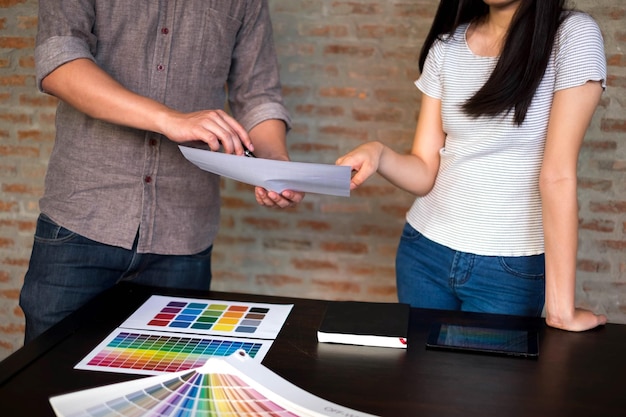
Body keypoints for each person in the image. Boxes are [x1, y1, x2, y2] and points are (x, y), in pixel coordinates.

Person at [19, 0, 304, 344]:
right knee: (46, 382)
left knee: (169, 391)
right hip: (81, 224)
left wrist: (272, 161)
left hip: (183, 238)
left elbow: (258, 94)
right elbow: (59, 60)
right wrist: (170, 119)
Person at [336, 0, 607, 332]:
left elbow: (557, 176)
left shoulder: (572, 35)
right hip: (423, 252)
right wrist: (378, 155)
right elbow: (424, 170)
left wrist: (560, 309)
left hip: (508, 270)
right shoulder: (447, 45)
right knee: (421, 381)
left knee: (481, 383)